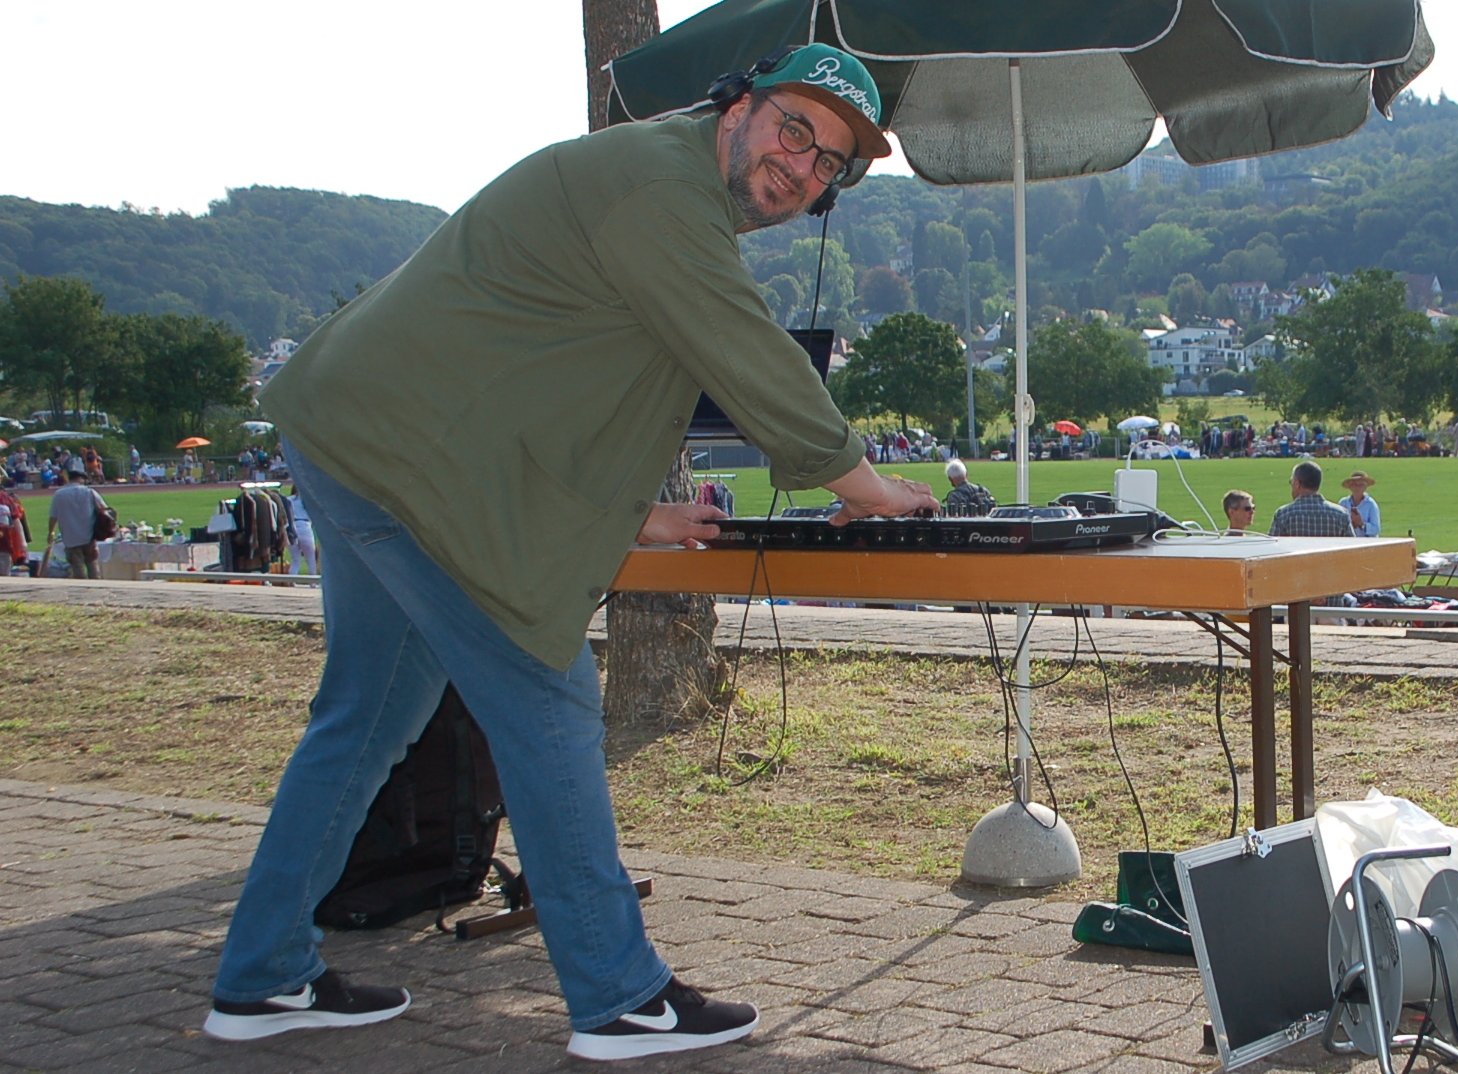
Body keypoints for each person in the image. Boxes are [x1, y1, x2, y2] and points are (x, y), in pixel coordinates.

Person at [200, 44, 935, 1063]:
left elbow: (544, 369)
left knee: (367, 719)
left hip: (362, 438)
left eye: (831, 166)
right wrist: (870, 483)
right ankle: (618, 997)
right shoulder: (659, 189)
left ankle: (262, 974)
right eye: (796, 131)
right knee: (546, 703)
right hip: (406, 460)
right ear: (742, 105)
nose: (803, 168)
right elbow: (748, 353)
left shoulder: (661, 184)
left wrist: (636, 513)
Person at [45, 469, 107, 579]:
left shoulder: (59, 494)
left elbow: (53, 516)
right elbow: (104, 509)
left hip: (70, 537)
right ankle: (96, 585)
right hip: (88, 535)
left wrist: (51, 532)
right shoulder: (89, 492)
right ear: (81, 479)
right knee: (92, 564)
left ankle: (81, 589)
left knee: (77, 567)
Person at [1268, 461, 1353, 537]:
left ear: (1297, 484)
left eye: (1291, 482)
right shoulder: (1341, 515)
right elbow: (1353, 550)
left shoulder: (1283, 514)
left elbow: (1272, 549)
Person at [1338, 470, 1380, 537]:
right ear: (1350, 487)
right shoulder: (1343, 503)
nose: (1357, 487)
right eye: (1354, 484)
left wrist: (1361, 524)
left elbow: (1376, 529)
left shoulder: (1371, 504)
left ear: (1365, 487)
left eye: (1361, 485)